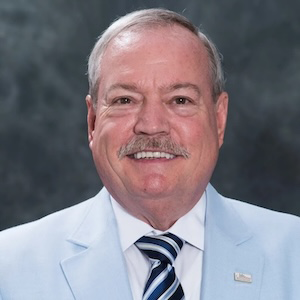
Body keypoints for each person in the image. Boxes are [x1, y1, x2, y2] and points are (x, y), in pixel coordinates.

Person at [0, 8, 299, 300]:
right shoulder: (9, 267)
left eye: (180, 100)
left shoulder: (293, 254)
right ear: (92, 121)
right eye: (125, 100)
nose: (152, 126)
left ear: (219, 119)